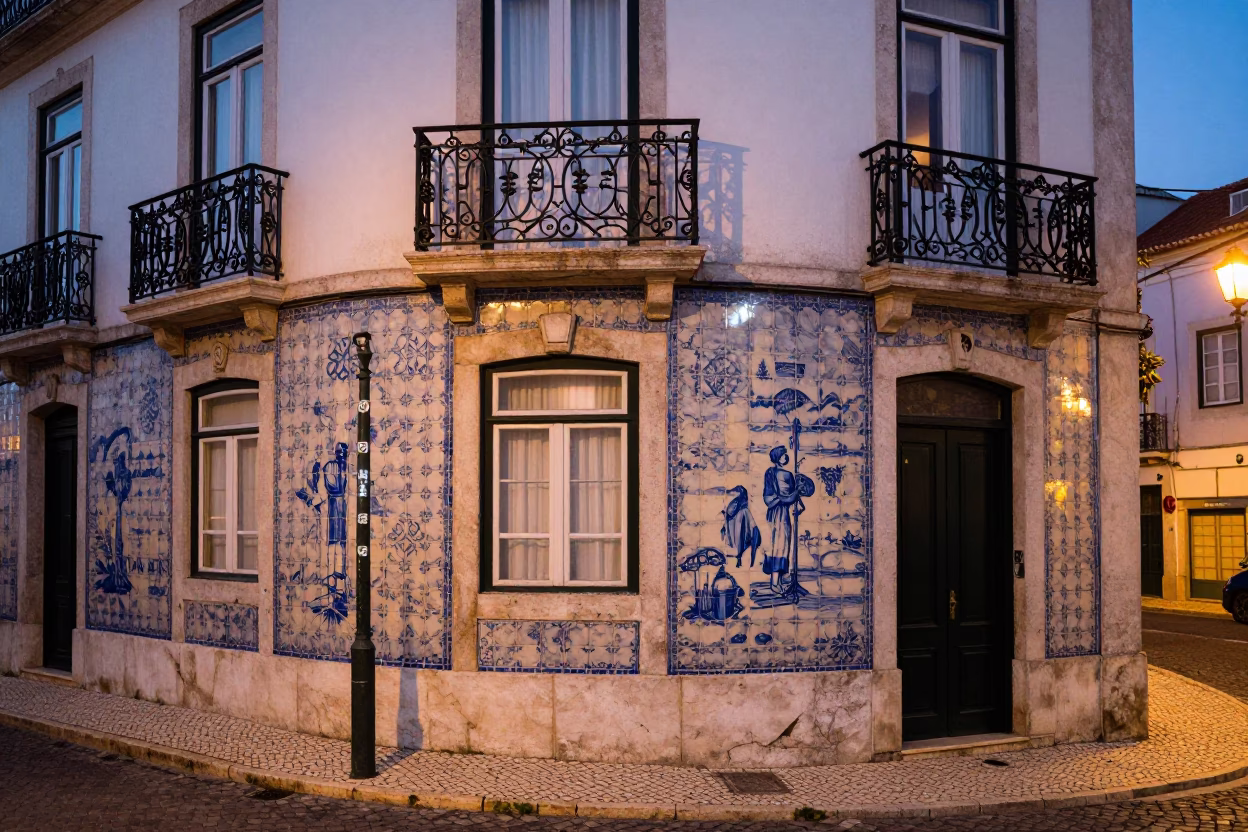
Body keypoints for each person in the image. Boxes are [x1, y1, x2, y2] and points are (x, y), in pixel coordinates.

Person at [762, 446, 804, 591]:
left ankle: (777, 581)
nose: (785, 457)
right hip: (776, 513)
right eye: (783, 455)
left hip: (783, 513)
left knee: (782, 546)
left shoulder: (788, 474)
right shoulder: (772, 473)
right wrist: (792, 494)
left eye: (786, 455)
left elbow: (792, 497)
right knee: (776, 546)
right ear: (777, 457)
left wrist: (796, 492)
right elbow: (770, 497)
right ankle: (774, 583)